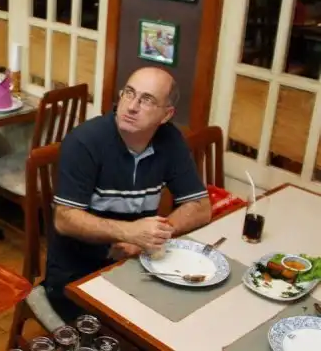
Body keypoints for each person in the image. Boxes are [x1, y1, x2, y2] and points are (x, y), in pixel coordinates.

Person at [44, 67, 212, 322]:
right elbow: (64, 218)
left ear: (166, 115)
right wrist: (129, 232)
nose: (132, 106)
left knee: (188, 314)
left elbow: (200, 207)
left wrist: (149, 236)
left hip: (138, 264)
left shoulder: (171, 140)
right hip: (78, 274)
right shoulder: (84, 142)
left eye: (147, 100)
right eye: (129, 93)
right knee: (130, 332)